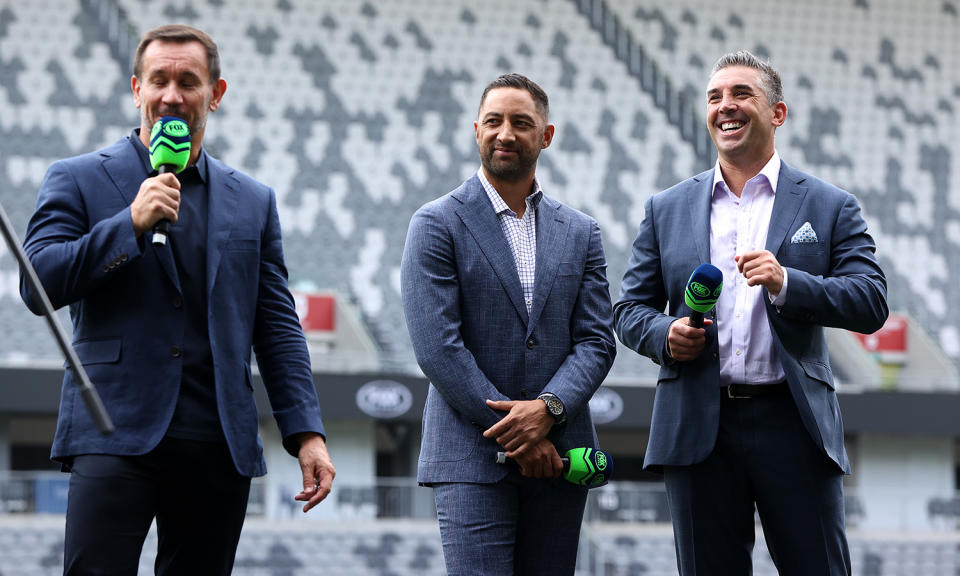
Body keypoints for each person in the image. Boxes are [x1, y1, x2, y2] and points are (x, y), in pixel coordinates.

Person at [19, 24, 334, 575]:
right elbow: (36, 283)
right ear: (136, 87)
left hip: (217, 438)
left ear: (216, 93)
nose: (172, 95)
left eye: (188, 81)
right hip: (113, 431)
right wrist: (129, 225)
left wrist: (307, 434)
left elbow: (277, 325)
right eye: (159, 80)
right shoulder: (76, 178)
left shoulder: (253, 201)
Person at [614, 50, 888, 575]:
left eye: (742, 93)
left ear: (777, 113)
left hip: (794, 422)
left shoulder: (831, 205)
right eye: (715, 96)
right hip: (698, 426)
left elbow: (871, 300)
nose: (726, 106)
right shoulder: (665, 207)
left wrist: (788, 282)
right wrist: (665, 333)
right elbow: (628, 310)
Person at [401, 73, 616, 575]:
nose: (506, 133)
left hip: (560, 456)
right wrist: (520, 433)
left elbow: (596, 342)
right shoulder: (435, 223)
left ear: (546, 135)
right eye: (494, 121)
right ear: (476, 129)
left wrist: (549, 409)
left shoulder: (582, 232)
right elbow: (438, 348)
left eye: (522, 123)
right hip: (471, 458)